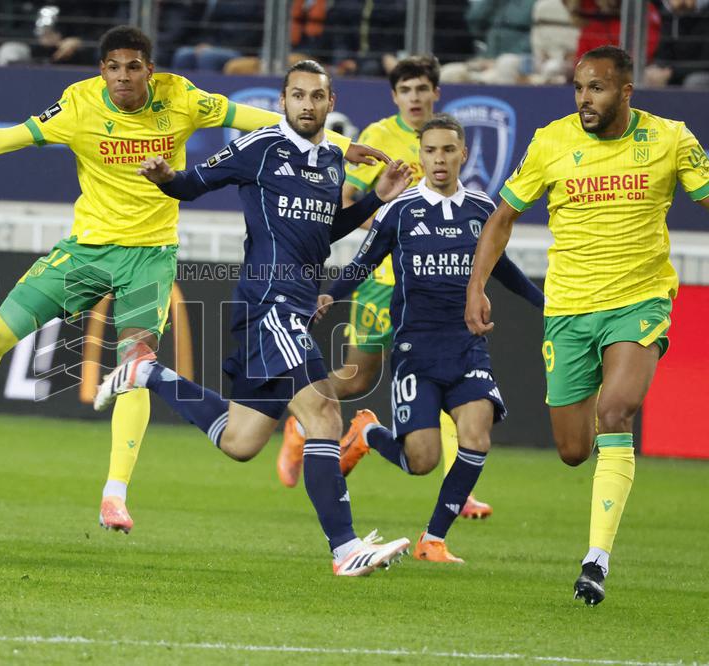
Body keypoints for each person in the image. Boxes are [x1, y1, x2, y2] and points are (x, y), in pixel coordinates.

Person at [0, 25, 385, 535]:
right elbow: (8, 137)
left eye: (133, 67)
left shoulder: (180, 97)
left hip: (149, 257)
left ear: (150, 70)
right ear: (102, 71)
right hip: (85, 253)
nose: (123, 77)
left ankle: (114, 494)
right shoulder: (78, 106)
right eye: (114, 67)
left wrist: (340, 144)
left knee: (135, 363)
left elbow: (257, 117)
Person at [94, 60, 414, 576]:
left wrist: (376, 198)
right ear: (283, 101)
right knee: (325, 414)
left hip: (291, 304)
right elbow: (193, 183)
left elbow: (322, 231)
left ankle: (147, 372)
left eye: (316, 97)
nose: (306, 105)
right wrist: (165, 177)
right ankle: (346, 548)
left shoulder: (333, 159)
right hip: (270, 302)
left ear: (331, 105)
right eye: (297, 95)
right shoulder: (261, 146)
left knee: (241, 441)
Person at [465, 45, 709, 603]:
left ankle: (595, 560)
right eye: (579, 88)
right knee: (574, 449)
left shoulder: (671, 139)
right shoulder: (552, 141)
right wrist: (476, 286)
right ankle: (598, 491)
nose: (584, 99)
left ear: (626, 92)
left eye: (596, 88)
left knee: (616, 411)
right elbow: (502, 217)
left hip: (638, 301)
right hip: (569, 309)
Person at [277, 55, 495, 521]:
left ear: (435, 92)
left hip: (445, 291)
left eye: (422, 89)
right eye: (406, 91)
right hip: (384, 283)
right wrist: (398, 233)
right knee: (360, 377)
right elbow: (348, 198)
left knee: (451, 372)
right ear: (394, 97)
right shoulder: (377, 137)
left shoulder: (443, 136)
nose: (415, 98)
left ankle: (457, 483)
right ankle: (304, 418)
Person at [324, 114, 544, 563]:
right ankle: (367, 432)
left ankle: (434, 540)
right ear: (420, 156)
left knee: (477, 434)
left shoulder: (484, 210)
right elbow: (364, 263)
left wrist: (550, 306)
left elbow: (504, 270)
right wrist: (329, 295)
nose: (439, 159)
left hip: (465, 345)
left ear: (463, 154)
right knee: (420, 461)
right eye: (430, 151)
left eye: (448, 150)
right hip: (416, 347)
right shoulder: (400, 211)